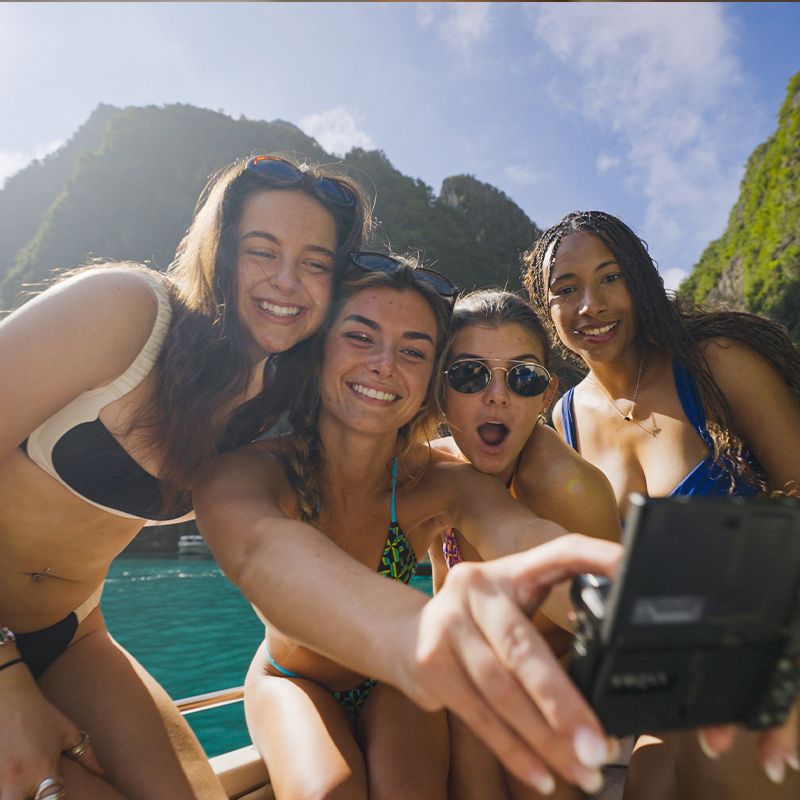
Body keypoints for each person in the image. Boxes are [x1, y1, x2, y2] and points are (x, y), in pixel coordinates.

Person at [0, 153, 370, 800]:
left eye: (316, 264)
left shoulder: (274, 408)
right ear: (219, 253)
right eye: (262, 251)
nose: (287, 281)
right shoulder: (127, 314)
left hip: (72, 633)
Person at [193, 254, 624, 799]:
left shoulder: (443, 481)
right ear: (317, 351)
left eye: (413, 351)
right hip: (292, 677)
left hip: (392, 681)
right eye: (360, 337)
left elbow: (523, 538)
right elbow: (261, 549)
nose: (384, 364)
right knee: (333, 792)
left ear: (427, 382)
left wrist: (627, 615)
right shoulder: (248, 472)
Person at [522, 210, 800, 798]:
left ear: (640, 281)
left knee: (713, 766)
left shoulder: (714, 361)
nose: (589, 305)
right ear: (547, 312)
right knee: (648, 786)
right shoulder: (563, 422)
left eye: (610, 278)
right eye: (565, 290)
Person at [430, 288, 621, 799]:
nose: (497, 396)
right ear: (439, 390)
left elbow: (612, 638)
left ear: (545, 394)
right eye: (470, 374)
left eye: (523, 377)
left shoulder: (560, 484)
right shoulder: (434, 471)